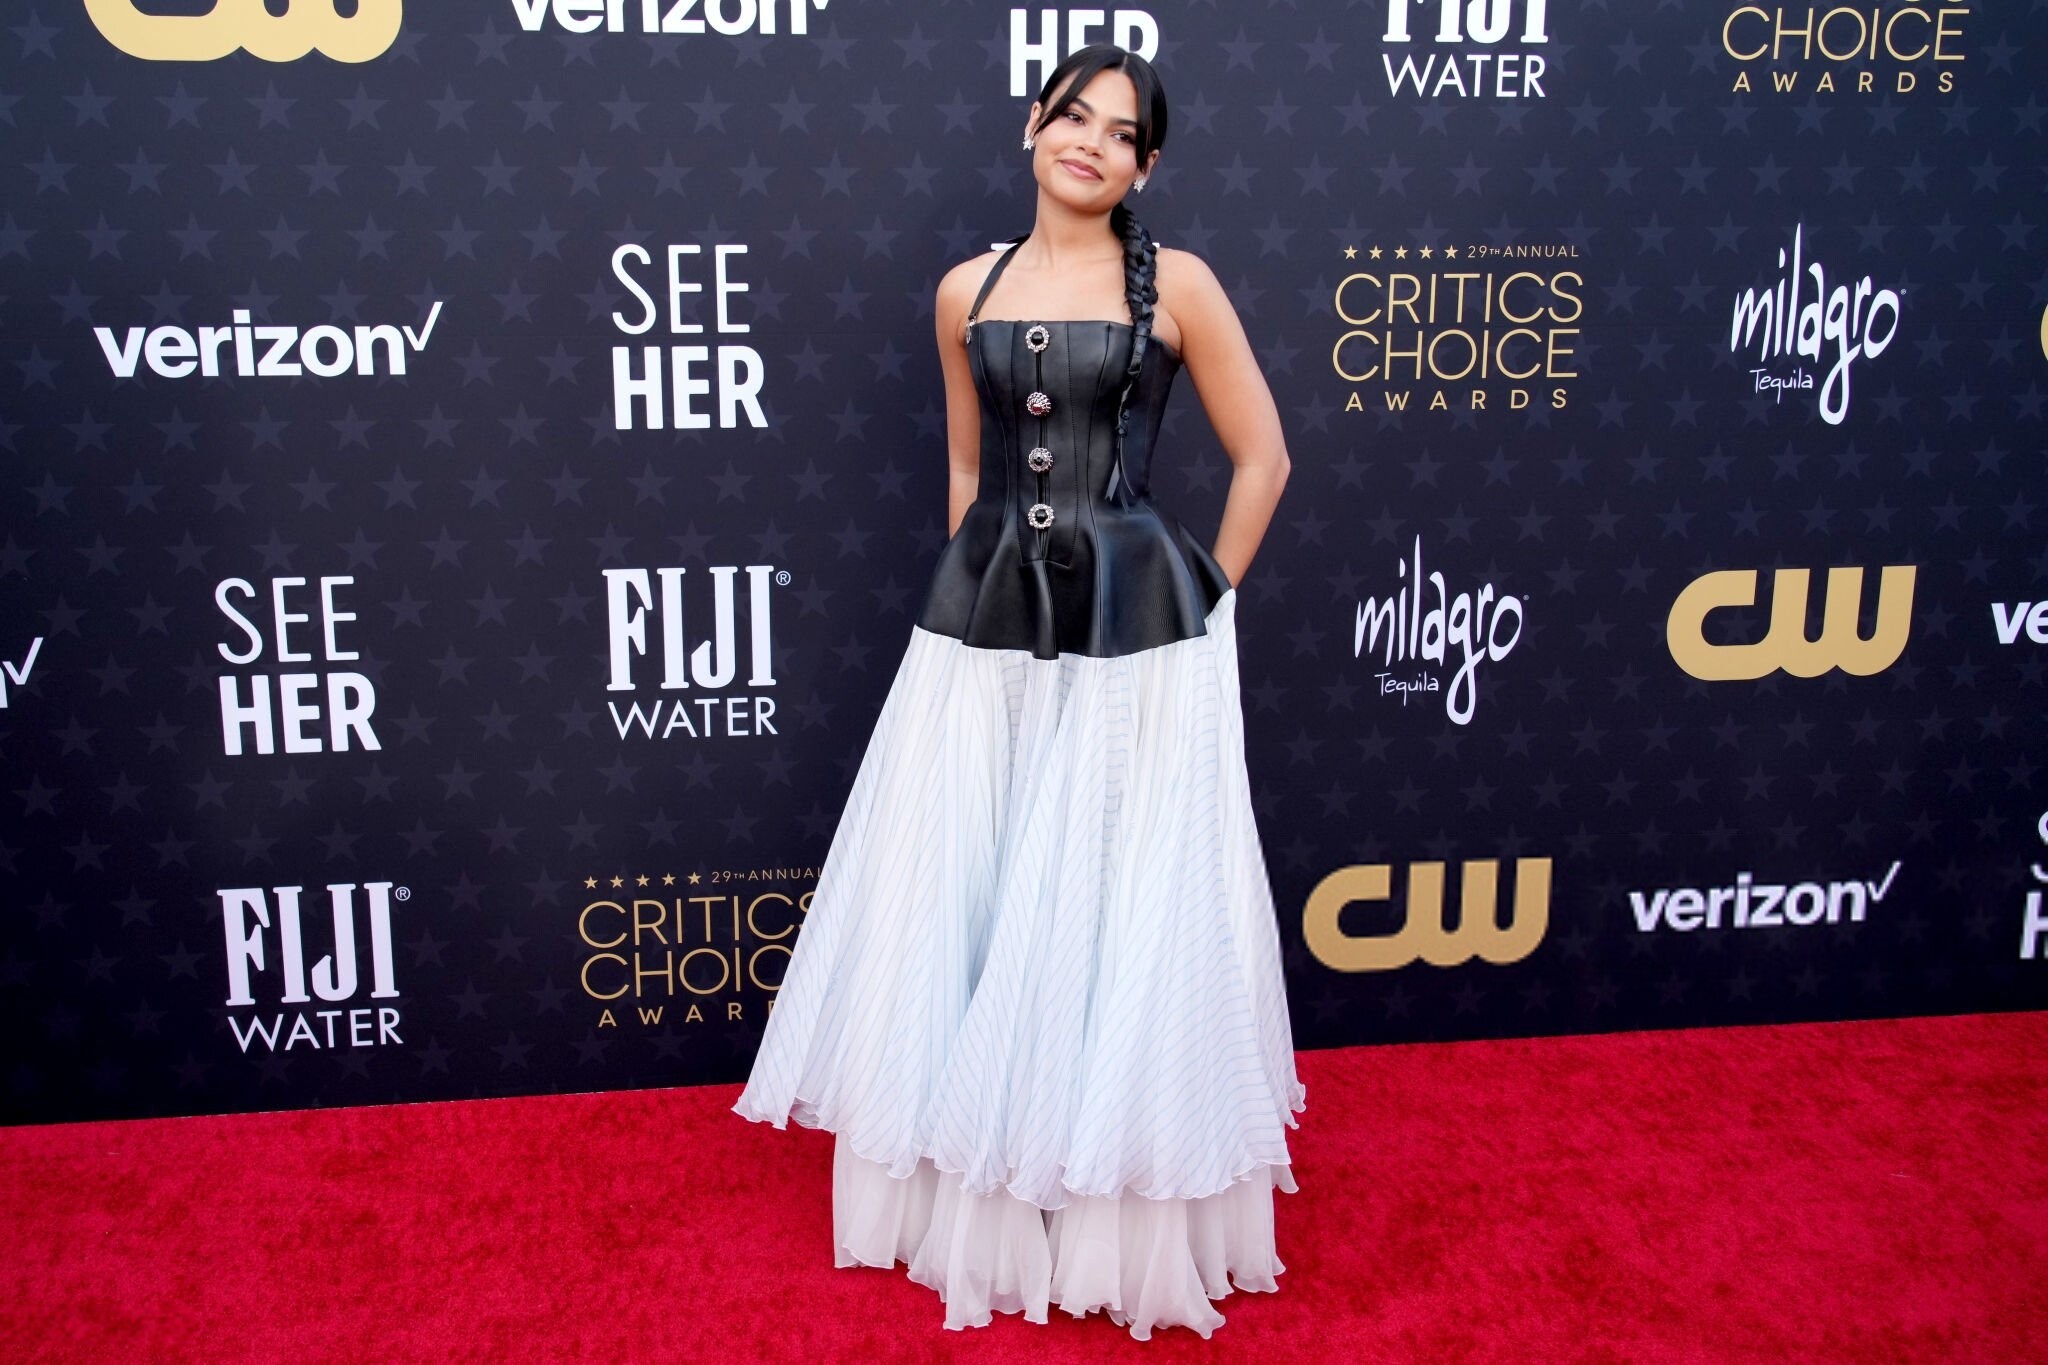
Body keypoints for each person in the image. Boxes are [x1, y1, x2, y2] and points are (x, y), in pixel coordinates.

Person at [732, 43, 1304, 1340]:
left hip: (1136, 630)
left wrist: (1208, 593)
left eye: (1121, 132)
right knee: (975, 888)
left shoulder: (1182, 285)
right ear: (1033, 128)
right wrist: (973, 596)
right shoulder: (964, 289)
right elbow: (963, 465)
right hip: (984, 623)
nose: (1090, 140)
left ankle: (1102, 1192)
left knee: (1110, 893)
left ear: (1144, 167)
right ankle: (984, 1181)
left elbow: (1264, 457)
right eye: (1072, 115)